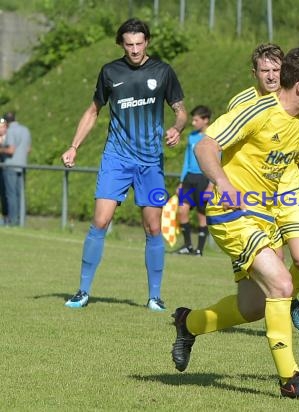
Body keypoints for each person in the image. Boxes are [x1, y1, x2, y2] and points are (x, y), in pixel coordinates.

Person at [170, 47, 299, 399]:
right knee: (281, 283)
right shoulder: (257, 110)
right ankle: (289, 379)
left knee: (251, 308)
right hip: (230, 212)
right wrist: (225, 183)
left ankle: (190, 323)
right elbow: (205, 147)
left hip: (265, 216)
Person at [60, 18, 187, 311]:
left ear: (147, 42)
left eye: (139, 44)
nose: (134, 50)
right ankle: (82, 291)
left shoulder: (163, 71)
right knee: (100, 221)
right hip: (116, 158)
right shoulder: (110, 72)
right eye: (128, 44)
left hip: (151, 161)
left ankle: (155, 296)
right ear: (121, 44)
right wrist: (73, 146)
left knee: (154, 228)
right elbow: (93, 111)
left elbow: (180, 110)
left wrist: (177, 128)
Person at [227, 43, 299, 334]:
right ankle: (282, 311)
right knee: (273, 271)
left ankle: (290, 300)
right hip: (256, 196)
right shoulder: (244, 103)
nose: (271, 76)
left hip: (289, 188)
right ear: (255, 73)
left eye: (276, 70)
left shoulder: (297, 102)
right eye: (264, 70)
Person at [174, 105, 212, 256]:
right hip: (189, 178)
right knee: (182, 209)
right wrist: (182, 181)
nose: (193, 123)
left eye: (196, 120)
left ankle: (199, 250)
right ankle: (187, 245)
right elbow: (187, 160)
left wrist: (212, 184)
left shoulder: (214, 136)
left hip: (204, 179)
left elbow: (218, 161)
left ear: (205, 120)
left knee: (201, 213)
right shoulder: (191, 136)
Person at [0, 111, 32, 226]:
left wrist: (1, 150)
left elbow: (11, 150)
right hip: (22, 165)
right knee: (20, 194)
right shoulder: (25, 130)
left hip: (10, 166)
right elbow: (28, 149)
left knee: (10, 194)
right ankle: (21, 219)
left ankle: (12, 220)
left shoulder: (11, 131)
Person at [0, 117, 9, 224]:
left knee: (7, 193)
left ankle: (7, 216)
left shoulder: (9, 138)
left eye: (2, 127)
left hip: (6, 169)